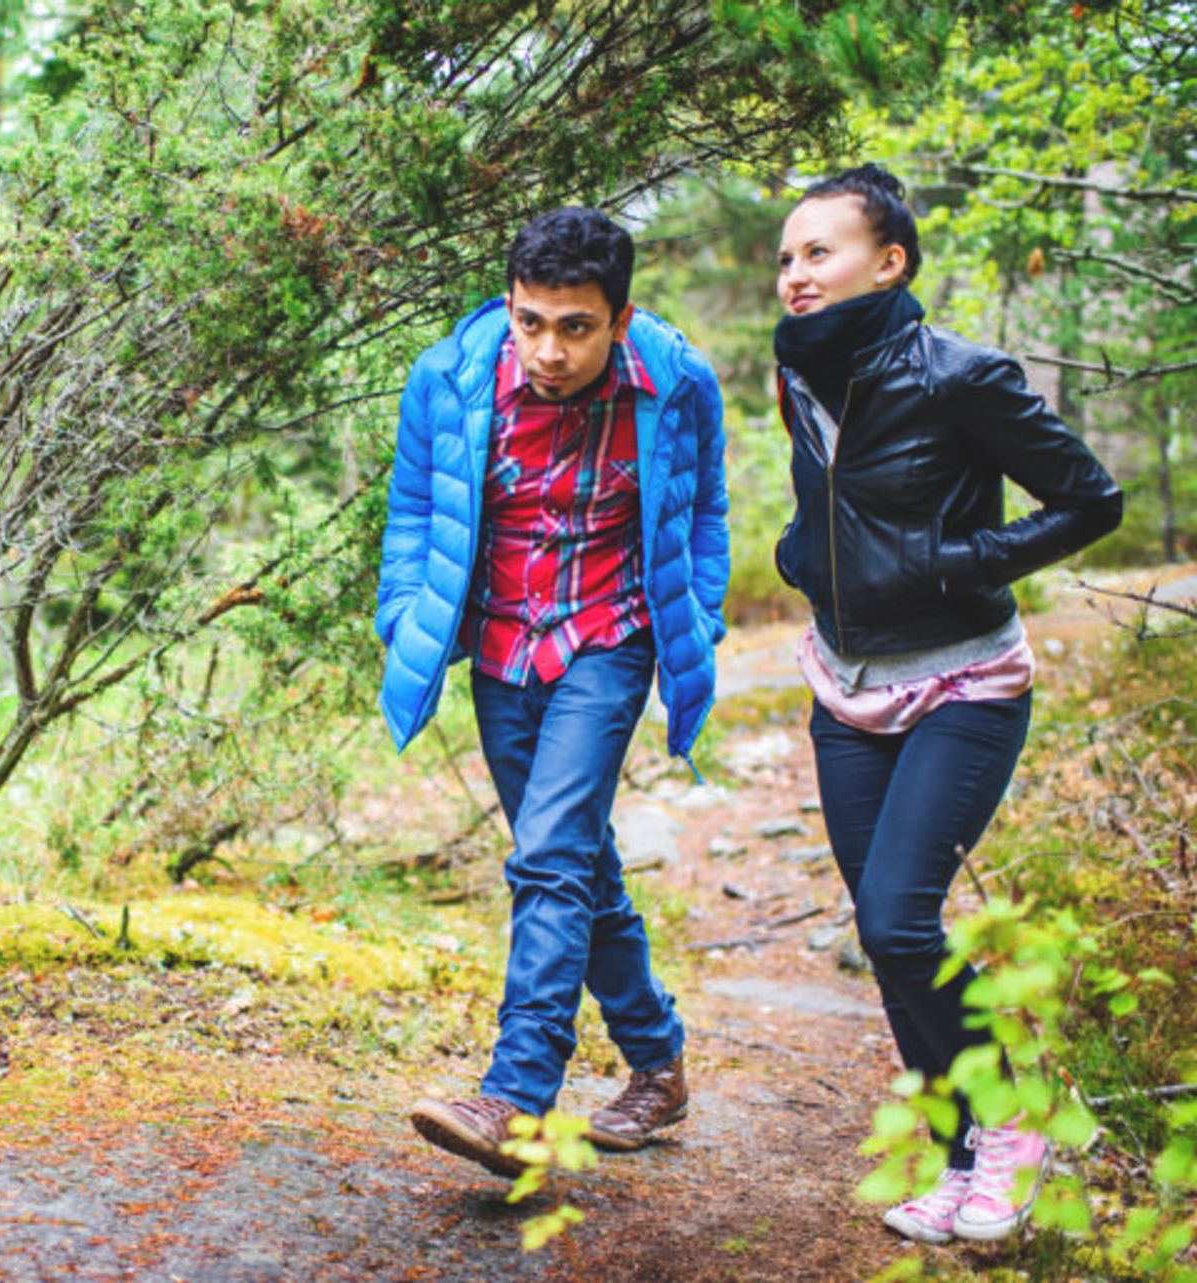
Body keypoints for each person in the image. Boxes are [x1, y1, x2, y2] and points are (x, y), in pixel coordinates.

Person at [771, 164, 1123, 1243]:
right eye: (785, 256)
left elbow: (1089, 499)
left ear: (890, 263)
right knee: (889, 943)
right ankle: (967, 1148)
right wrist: (803, 554)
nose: (795, 274)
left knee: (896, 916)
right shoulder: (802, 376)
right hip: (848, 682)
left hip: (965, 680)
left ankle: (1017, 1124)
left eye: (819, 252)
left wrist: (961, 560)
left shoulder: (962, 376)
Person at [376, 207, 729, 1178]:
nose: (549, 348)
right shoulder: (448, 378)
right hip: (498, 647)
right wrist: (404, 612)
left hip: (608, 641)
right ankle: (659, 1066)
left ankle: (515, 1098)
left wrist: (700, 615)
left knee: (549, 854)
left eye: (576, 326)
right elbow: (412, 508)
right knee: (573, 857)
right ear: (509, 303)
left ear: (619, 318)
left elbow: (704, 513)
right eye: (531, 320)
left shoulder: (674, 383)